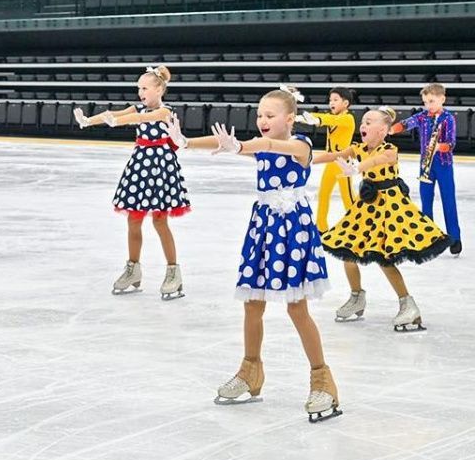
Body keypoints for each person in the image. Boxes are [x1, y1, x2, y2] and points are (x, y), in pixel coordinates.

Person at [168, 86, 340, 423]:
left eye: (269, 115)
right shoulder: (262, 146)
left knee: (296, 306)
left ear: (289, 118)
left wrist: (242, 146)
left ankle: (323, 380)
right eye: (259, 115)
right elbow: (229, 145)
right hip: (263, 228)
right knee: (253, 303)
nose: (262, 120)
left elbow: (270, 146)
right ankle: (250, 371)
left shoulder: (300, 146)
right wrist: (186, 142)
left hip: (292, 230)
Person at [318, 107, 450, 331]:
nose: (363, 126)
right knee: (347, 250)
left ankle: (408, 305)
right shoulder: (358, 147)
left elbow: (378, 160)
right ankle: (357, 296)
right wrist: (302, 158)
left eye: (369, 122)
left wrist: (358, 167)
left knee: (385, 258)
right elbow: (332, 156)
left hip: (389, 208)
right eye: (363, 122)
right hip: (366, 208)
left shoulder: (390, 149)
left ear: (383, 130)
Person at [74, 65, 190, 300]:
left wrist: (117, 122)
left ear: (159, 90)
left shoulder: (165, 111)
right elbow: (115, 113)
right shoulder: (137, 107)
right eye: (139, 88)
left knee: (160, 221)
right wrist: (88, 121)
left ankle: (173, 272)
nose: (140, 92)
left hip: (161, 166)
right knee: (133, 219)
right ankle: (133, 269)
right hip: (140, 165)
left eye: (145, 88)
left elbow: (137, 118)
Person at [391, 83, 462, 255]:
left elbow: (451, 143)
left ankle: (454, 237)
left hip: (443, 165)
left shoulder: (448, 118)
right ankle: (428, 237)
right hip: (425, 166)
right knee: (426, 202)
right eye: (425, 102)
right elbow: (406, 123)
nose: (428, 105)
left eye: (431, 101)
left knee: (448, 201)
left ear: (442, 99)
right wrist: (391, 129)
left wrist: (439, 146)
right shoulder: (422, 116)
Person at [295, 87, 356, 232]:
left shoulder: (348, 118)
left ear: (345, 103)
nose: (331, 103)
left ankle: (359, 225)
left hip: (343, 163)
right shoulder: (333, 117)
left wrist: (316, 119)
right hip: (331, 162)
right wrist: (306, 117)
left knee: (348, 198)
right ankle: (321, 227)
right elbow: (326, 117)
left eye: (335, 100)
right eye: (330, 100)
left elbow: (330, 119)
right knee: (323, 194)